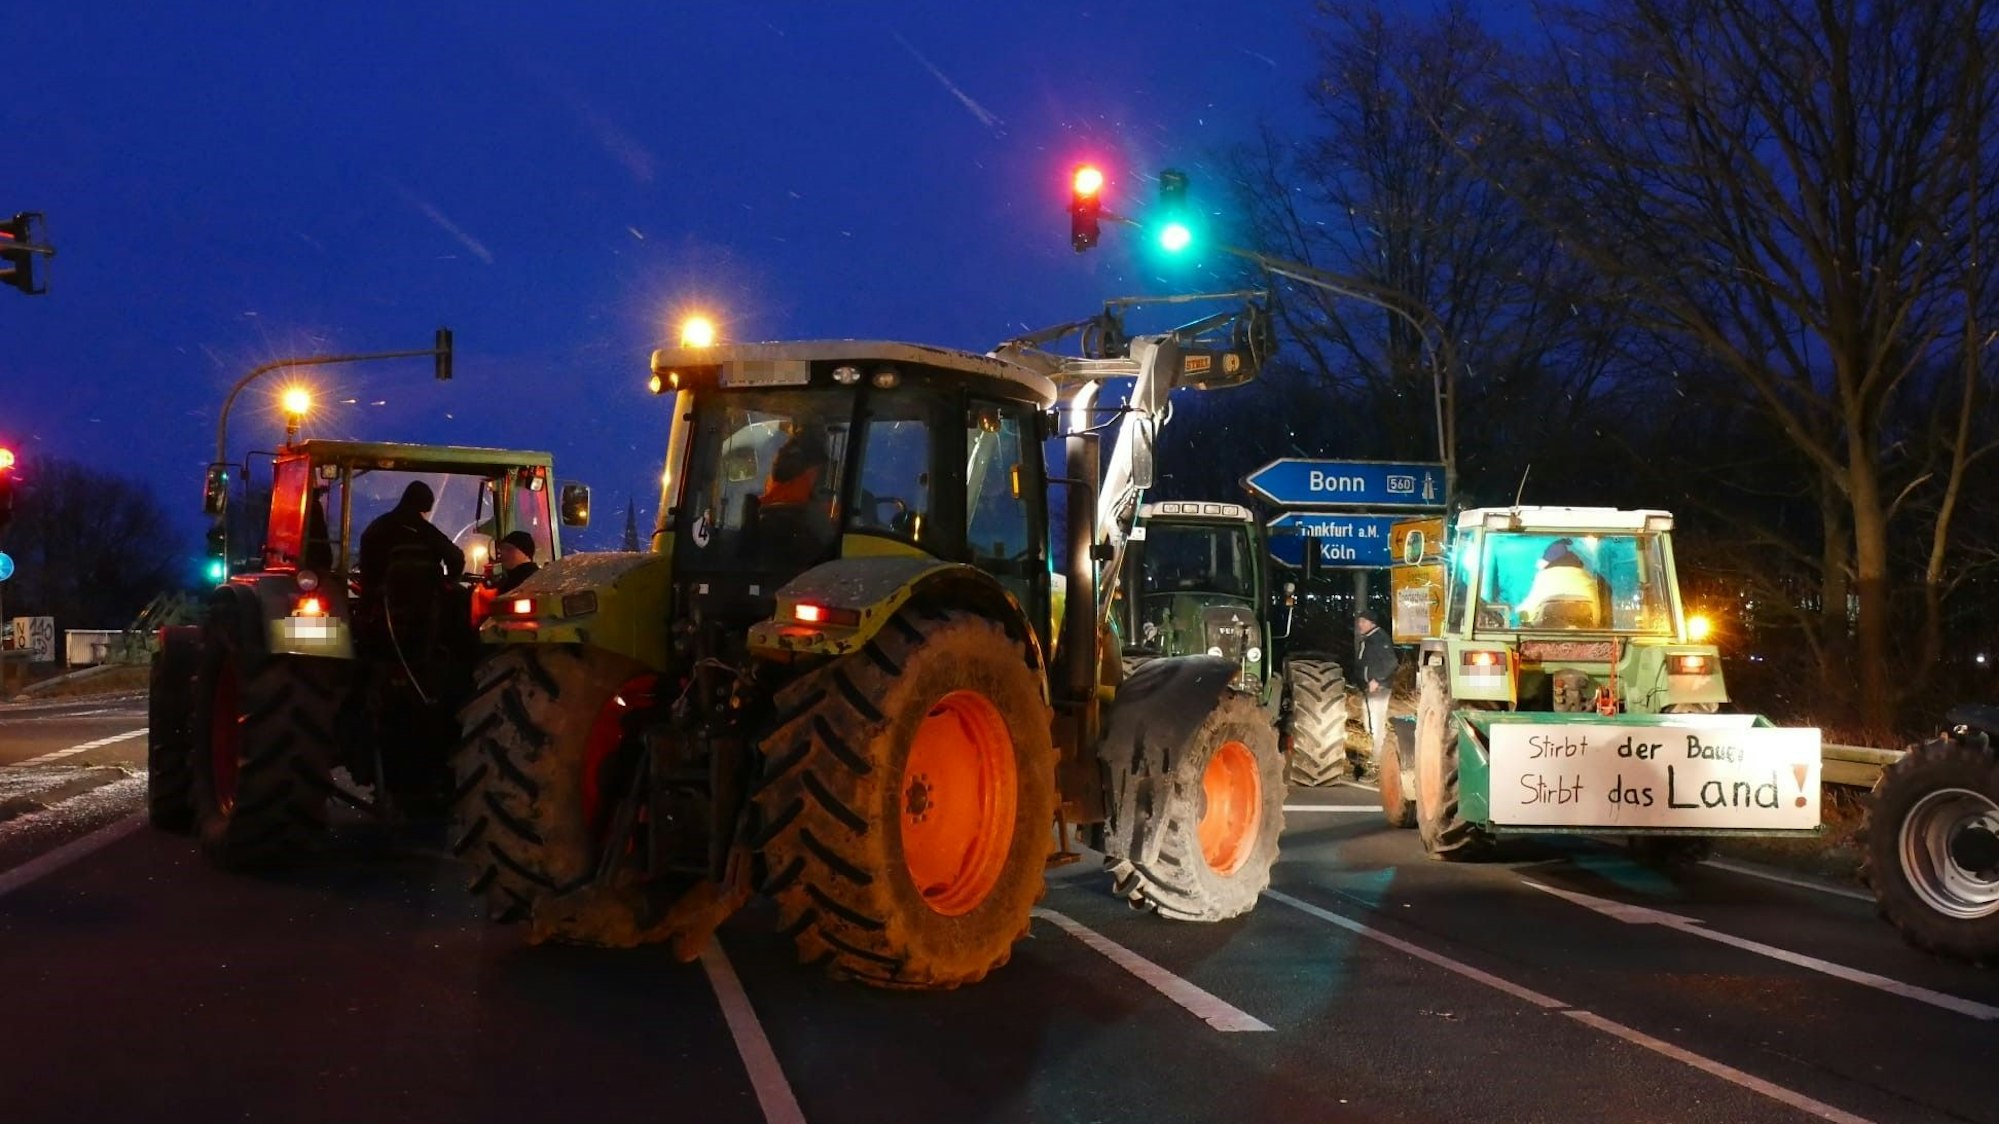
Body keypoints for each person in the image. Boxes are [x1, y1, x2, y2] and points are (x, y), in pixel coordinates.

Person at [358, 481, 465, 600]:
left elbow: (366, 570)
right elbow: (456, 557)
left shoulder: (377, 528)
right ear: (420, 507)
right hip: (426, 601)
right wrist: (449, 583)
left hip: (383, 601)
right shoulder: (427, 532)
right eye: (424, 512)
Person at [1516, 538, 1603, 628]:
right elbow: (1596, 617)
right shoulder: (1588, 579)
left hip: (1549, 632)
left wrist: (1520, 614)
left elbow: (1528, 610)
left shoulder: (1544, 577)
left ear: (1548, 561)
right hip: (1584, 633)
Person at [1356, 609, 1399, 767]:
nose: (1359, 624)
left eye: (1363, 621)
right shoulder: (1368, 639)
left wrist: (1378, 680)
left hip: (1379, 689)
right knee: (1369, 723)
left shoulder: (1379, 638)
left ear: (1371, 623)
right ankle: (1375, 755)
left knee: (1377, 724)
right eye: (1359, 621)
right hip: (1369, 689)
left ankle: (1378, 759)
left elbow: (1392, 663)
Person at [492, 530, 540, 596]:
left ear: (525, 553)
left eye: (509, 549)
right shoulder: (506, 578)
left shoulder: (531, 580)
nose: (502, 554)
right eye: (501, 549)